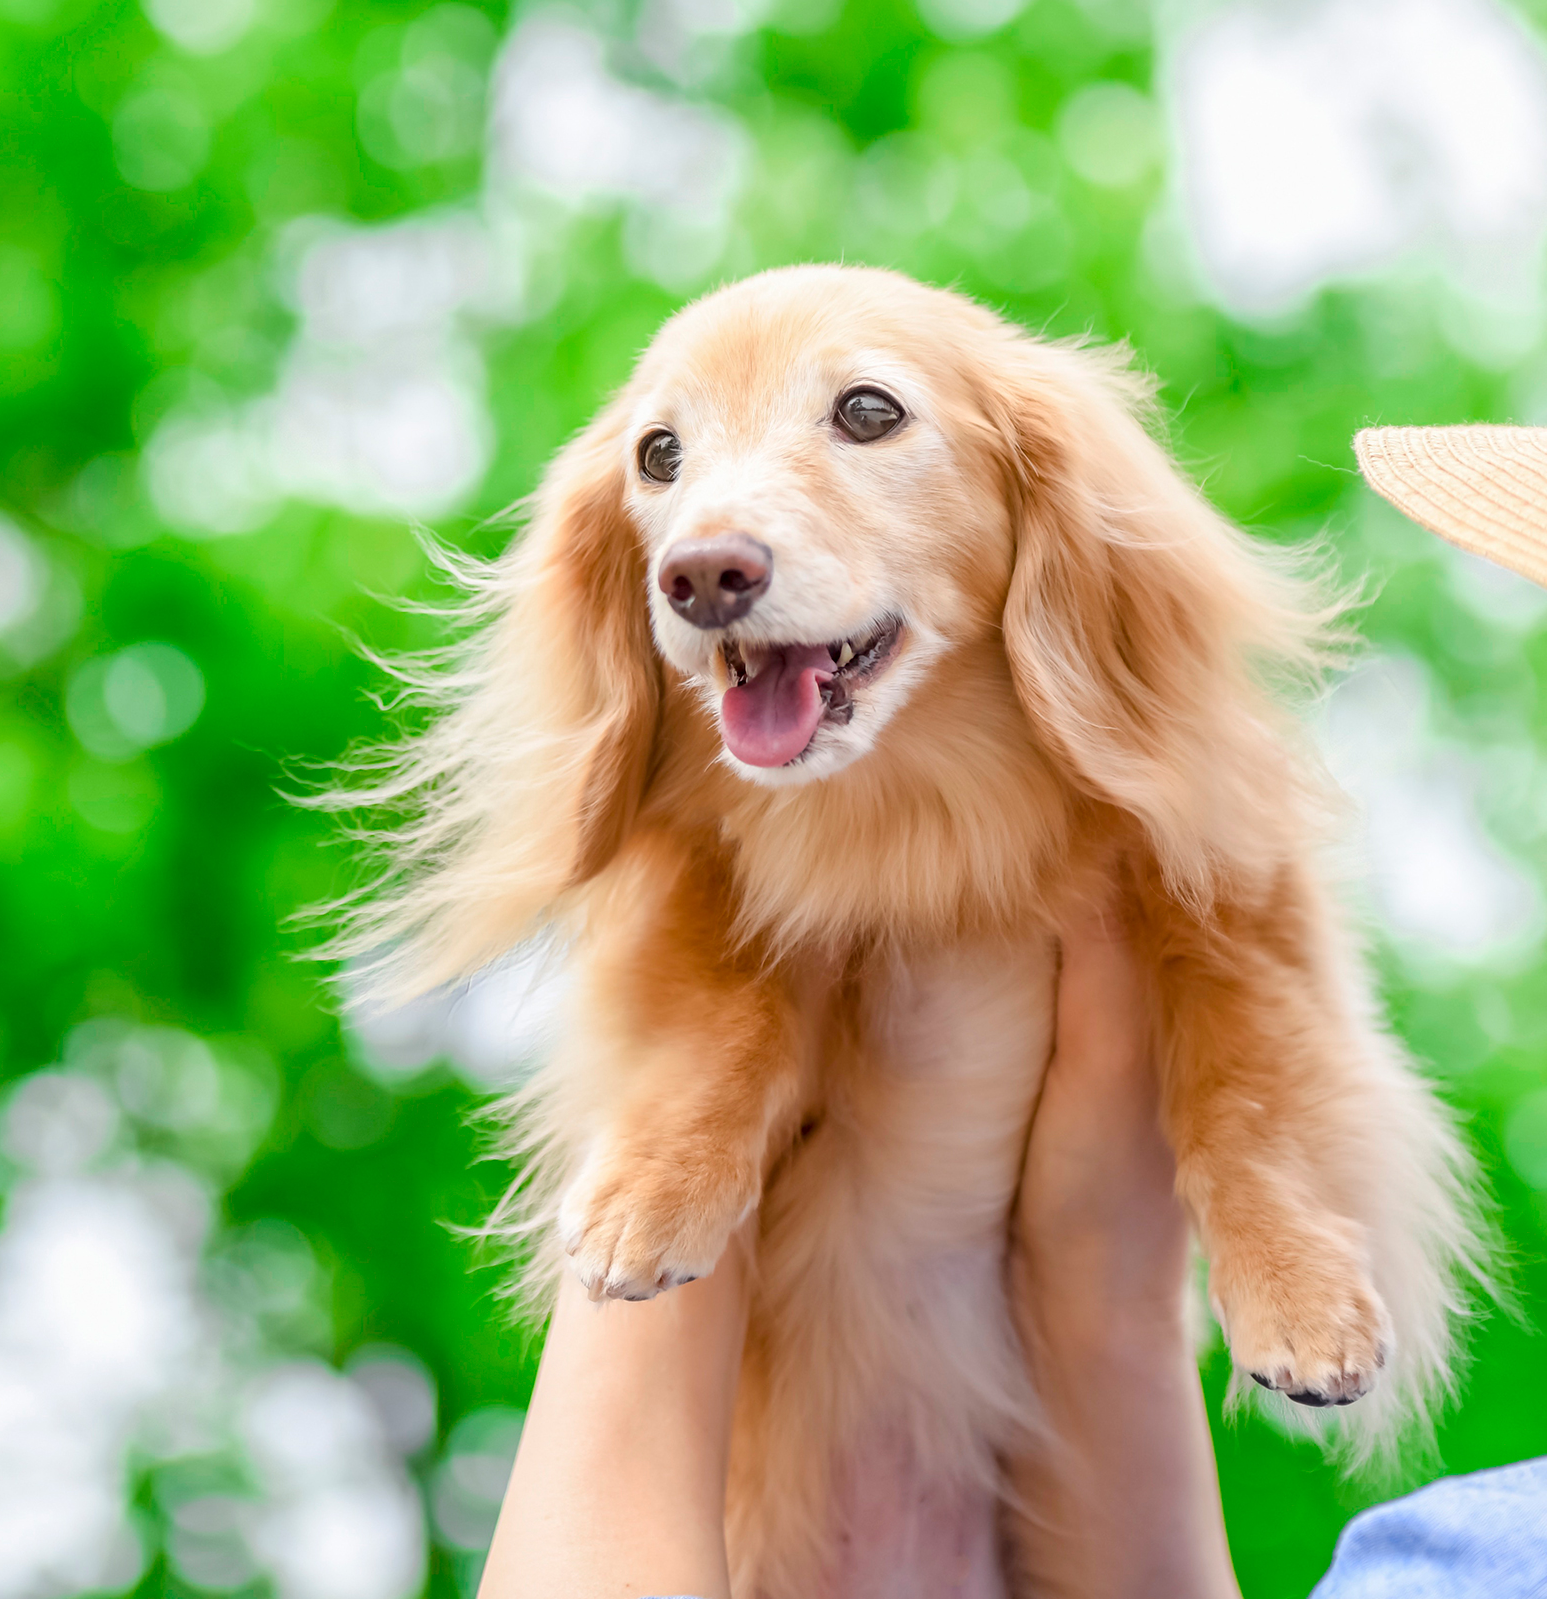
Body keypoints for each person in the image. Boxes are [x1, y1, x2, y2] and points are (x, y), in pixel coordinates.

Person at [472, 425, 1547, 1599]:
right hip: (792, 1503)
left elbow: (1258, 964)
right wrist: (1108, 1303)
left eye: (868, 416)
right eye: (663, 457)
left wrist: (1232, 1212)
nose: (710, 539)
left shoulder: (1465, 1562)